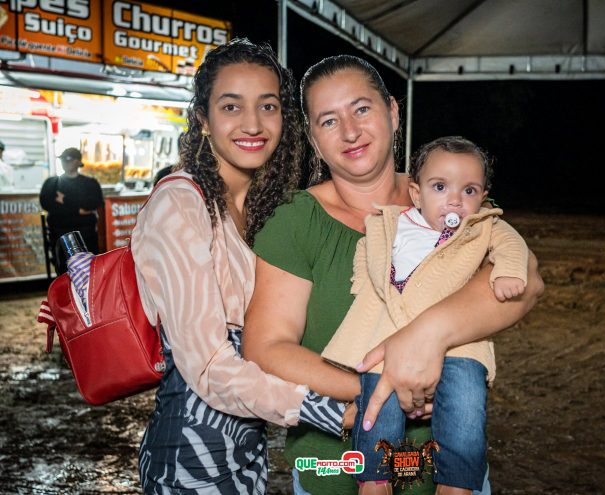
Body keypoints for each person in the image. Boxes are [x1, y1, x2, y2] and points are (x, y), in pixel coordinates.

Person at [243, 54, 543, 494]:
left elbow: (526, 280)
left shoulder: (446, 196)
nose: (349, 131)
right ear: (312, 137)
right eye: (328, 120)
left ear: (393, 111)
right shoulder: (296, 221)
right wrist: (382, 386)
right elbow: (266, 346)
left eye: (361, 109)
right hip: (336, 468)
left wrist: (428, 335)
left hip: (447, 469)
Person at [130, 38, 351, 494]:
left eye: (267, 106)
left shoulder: (258, 206)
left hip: (246, 450)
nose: (253, 124)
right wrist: (328, 406)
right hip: (190, 458)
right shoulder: (180, 204)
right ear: (203, 121)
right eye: (232, 107)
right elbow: (210, 366)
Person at [321, 136, 529, 494]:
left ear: (482, 196)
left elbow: (512, 245)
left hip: (459, 342)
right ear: (417, 195)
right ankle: (373, 479)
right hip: (391, 331)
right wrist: (361, 285)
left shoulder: (482, 227)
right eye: (440, 187)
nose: (454, 200)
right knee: (375, 403)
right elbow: (368, 249)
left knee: (465, 410)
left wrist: (509, 271)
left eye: (469, 190)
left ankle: (457, 483)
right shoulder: (394, 224)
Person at [39, 147, 104, 274]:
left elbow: (95, 202)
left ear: (79, 162)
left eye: (69, 159)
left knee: (89, 270)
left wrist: (65, 200)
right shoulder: (51, 183)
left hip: (86, 234)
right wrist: (79, 209)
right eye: (63, 159)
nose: (66, 162)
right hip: (59, 233)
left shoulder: (90, 183)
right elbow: (46, 203)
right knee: (63, 272)